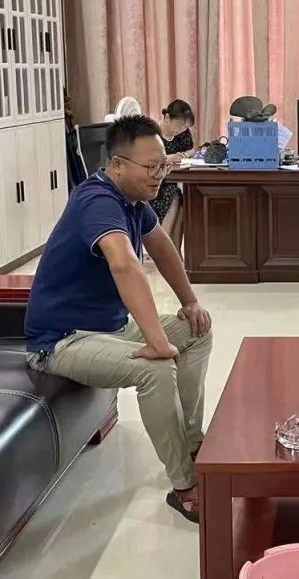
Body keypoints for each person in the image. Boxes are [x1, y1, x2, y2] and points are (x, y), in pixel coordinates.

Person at [24, 114, 214, 523]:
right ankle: (184, 486)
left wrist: (191, 302)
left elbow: (162, 249)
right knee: (155, 368)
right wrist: (156, 341)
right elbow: (125, 264)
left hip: (110, 329)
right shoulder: (97, 201)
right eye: (151, 167)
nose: (159, 175)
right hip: (63, 340)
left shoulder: (134, 203)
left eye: (163, 166)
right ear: (117, 165)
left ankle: (193, 444)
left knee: (197, 329)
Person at [152, 100, 196, 250]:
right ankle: (162, 248)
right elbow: (145, 158)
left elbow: (191, 150)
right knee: (174, 196)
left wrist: (183, 155)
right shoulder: (152, 133)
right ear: (167, 118)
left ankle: (175, 251)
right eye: (180, 125)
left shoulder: (182, 133)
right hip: (154, 184)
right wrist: (166, 158)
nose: (182, 130)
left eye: (185, 127)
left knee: (184, 203)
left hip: (170, 181)